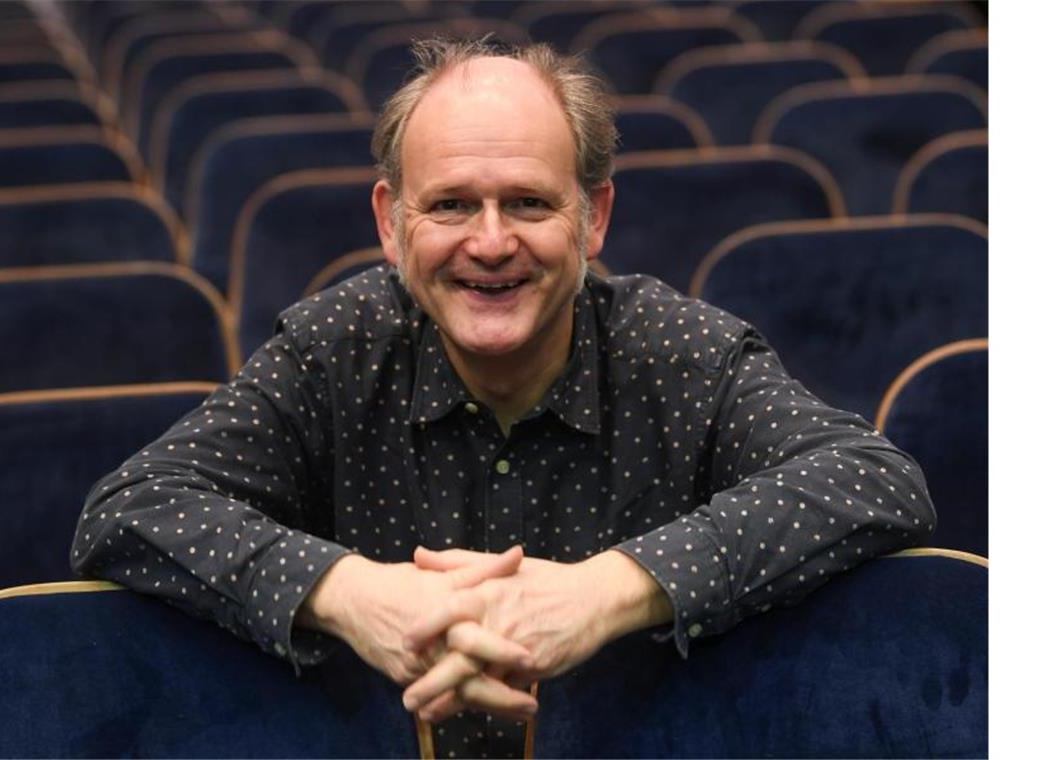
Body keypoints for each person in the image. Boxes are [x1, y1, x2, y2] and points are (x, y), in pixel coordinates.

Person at [71, 37, 935, 758]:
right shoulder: (335, 348)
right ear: (391, 222)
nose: (491, 242)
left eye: (527, 201)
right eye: (450, 204)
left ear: (593, 218)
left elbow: (874, 478)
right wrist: (351, 594)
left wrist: (610, 590)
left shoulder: (677, 350)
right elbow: (129, 508)